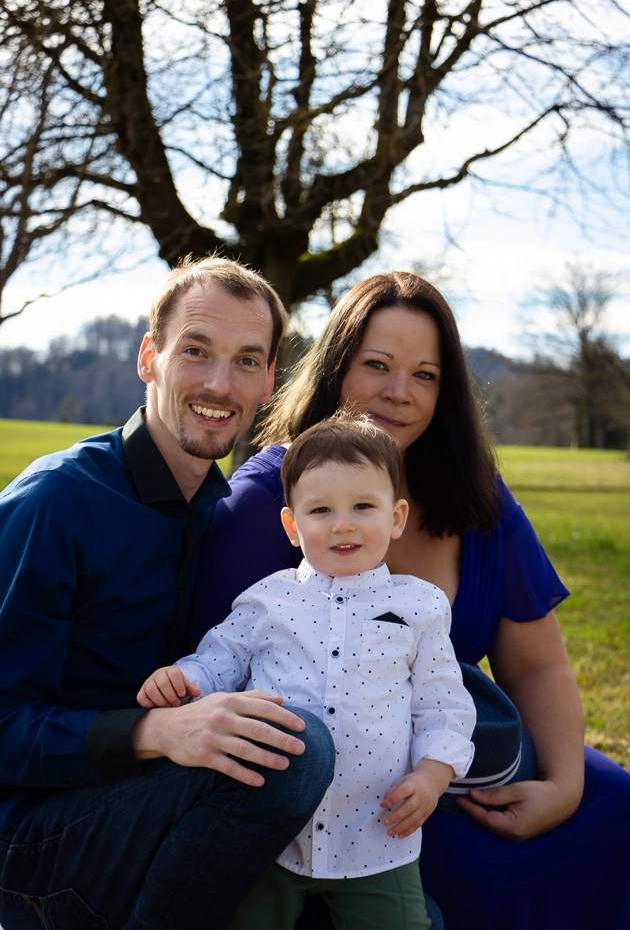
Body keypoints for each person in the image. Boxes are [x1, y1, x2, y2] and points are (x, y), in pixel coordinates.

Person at [192, 272, 630, 930]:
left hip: (463, 751)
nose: (399, 392)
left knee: (616, 805)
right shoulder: (270, 501)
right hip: (360, 798)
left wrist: (564, 786)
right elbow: (217, 669)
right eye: (378, 365)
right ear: (339, 369)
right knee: (478, 877)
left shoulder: (476, 495)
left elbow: (536, 662)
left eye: (424, 375)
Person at [0, 257, 335, 930]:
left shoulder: (228, 511)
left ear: (270, 380)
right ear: (149, 357)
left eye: (246, 360)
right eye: (196, 351)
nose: (219, 383)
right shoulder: (56, 502)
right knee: (298, 752)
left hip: (162, 811)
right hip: (30, 839)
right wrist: (153, 731)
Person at [140, 414, 476, 930]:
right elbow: (219, 660)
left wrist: (433, 777)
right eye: (321, 510)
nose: (343, 524)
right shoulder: (268, 599)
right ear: (292, 526)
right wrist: (183, 682)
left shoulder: (419, 606)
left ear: (397, 517)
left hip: (377, 837)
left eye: (364, 506)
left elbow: (444, 706)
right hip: (273, 834)